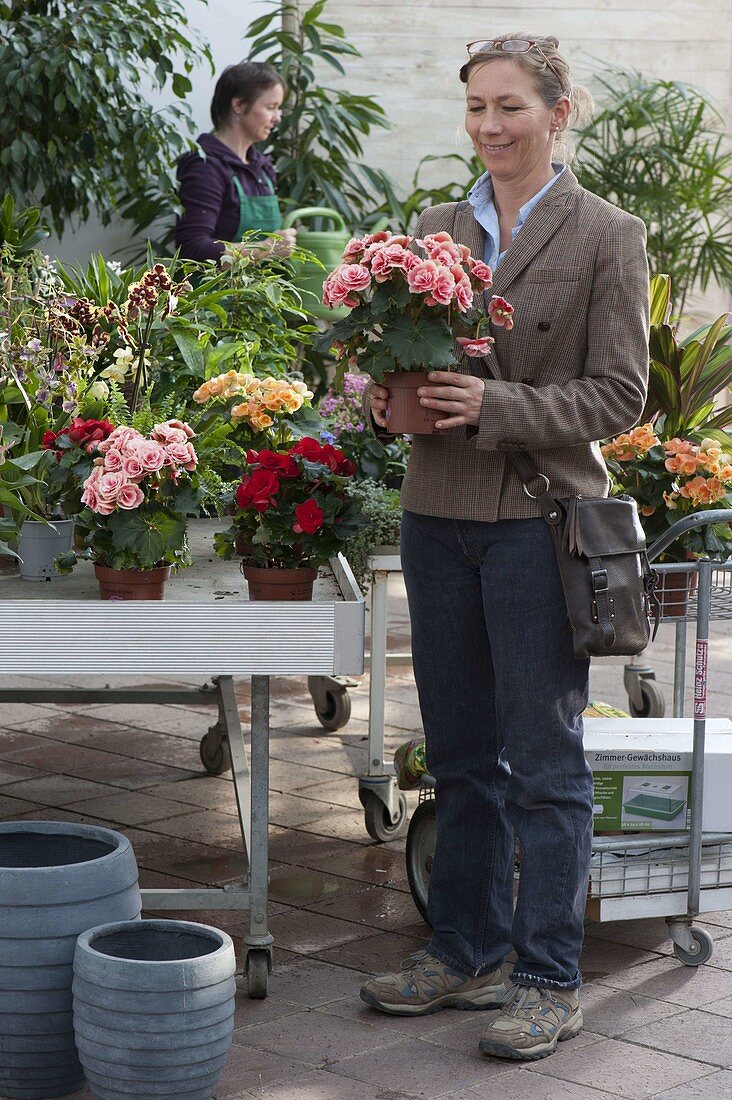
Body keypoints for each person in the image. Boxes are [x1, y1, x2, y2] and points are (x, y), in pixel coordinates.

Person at [360, 34, 650, 1061]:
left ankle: (546, 976)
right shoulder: (434, 228)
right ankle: (464, 946)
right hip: (436, 517)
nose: (490, 126)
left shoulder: (607, 234)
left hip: (540, 525)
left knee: (543, 760)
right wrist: (378, 399)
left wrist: (494, 401)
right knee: (461, 757)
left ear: (559, 113)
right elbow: (380, 361)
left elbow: (621, 394)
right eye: (477, 106)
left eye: (512, 106)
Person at [175, 61, 296, 264]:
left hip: (262, 293)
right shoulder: (205, 166)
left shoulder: (261, 168)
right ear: (238, 105)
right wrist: (265, 249)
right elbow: (192, 248)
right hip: (213, 294)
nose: (277, 118)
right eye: (270, 107)